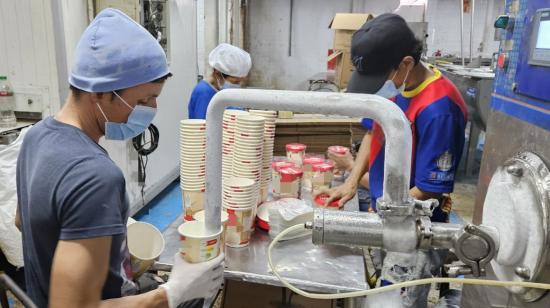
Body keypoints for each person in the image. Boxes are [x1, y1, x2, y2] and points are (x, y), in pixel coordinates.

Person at [15, 9, 223, 308]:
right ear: (99, 92)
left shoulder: (36, 137)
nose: (151, 109)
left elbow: (23, 221)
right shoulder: (96, 176)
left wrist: (100, 240)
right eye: (142, 100)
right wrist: (171, 293)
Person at [320, 14, 467, 307]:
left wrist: (386, 215)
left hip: (415, 231)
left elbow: (429, 188)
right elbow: (376, 132)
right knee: (380, 292)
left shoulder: (439, 109)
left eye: (383, 76)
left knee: (397, 300)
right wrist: (350, 183)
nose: (381, 85)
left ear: (406, 63)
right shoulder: (397, 88)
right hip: (388, 214)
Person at [187, 43, 252, 119]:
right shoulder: (204, 93)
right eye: (235, 82)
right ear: (218, 74)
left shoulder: (221, 90)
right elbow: (203, 126)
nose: (238, 85)